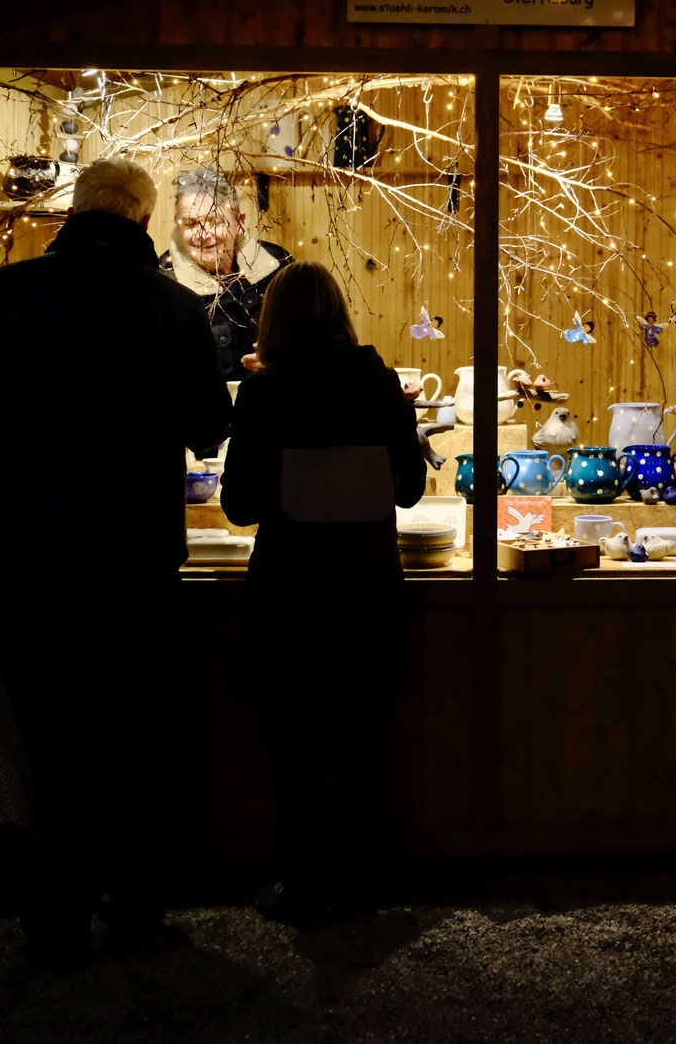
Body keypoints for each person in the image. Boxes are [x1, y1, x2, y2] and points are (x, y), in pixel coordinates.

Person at [0, 157, 229, 968]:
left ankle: (54, 916)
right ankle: (135, 900)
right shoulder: (172, 307)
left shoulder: (8, 294)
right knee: (136, 736)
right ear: (141, 221)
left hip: (29, 558)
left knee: (48, 739)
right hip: (134, 560)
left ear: (75, 212)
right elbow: (209, 425)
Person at [220, 261, 426, 924]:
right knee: (367, 740)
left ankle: (305, 886)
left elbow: (241, 505)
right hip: (367, 587)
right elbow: (411, 489)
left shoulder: (265, 394)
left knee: (295, 747)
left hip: (291, 592)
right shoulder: (380, 382)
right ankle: (368, 882)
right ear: (339, 312)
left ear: (272, 319)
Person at [158, 167, 291, 381]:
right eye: (191, 224)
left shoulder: (279, 268)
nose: (203, 235)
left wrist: (286, 362)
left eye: (215, 221)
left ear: (239, 221)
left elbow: (319, 347)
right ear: (177, 225)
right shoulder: (163, 285)